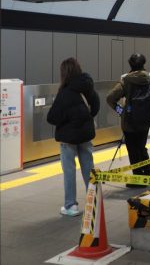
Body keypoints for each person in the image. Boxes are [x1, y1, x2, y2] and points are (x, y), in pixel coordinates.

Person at [47, 57, 99, 216]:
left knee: (69, 170)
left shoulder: (65, 92)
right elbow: (96, 106)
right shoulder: (87, 87)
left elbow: (52, 117)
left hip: (68, 138)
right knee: (88, 168)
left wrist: (67, 120)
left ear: (64, 73)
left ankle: (71, 206)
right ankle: (94, 200)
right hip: (85, 135)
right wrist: (85, 118)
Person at [107, 53, 150, 185]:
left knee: (133, 150)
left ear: (130, 64)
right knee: (142, 147)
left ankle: (138, 179)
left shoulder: (126, 81)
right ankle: (147, 174)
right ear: (143, 64)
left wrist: (121, 111)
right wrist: (149, 112)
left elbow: (110, 98)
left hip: (129, 123)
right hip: (145, 121)